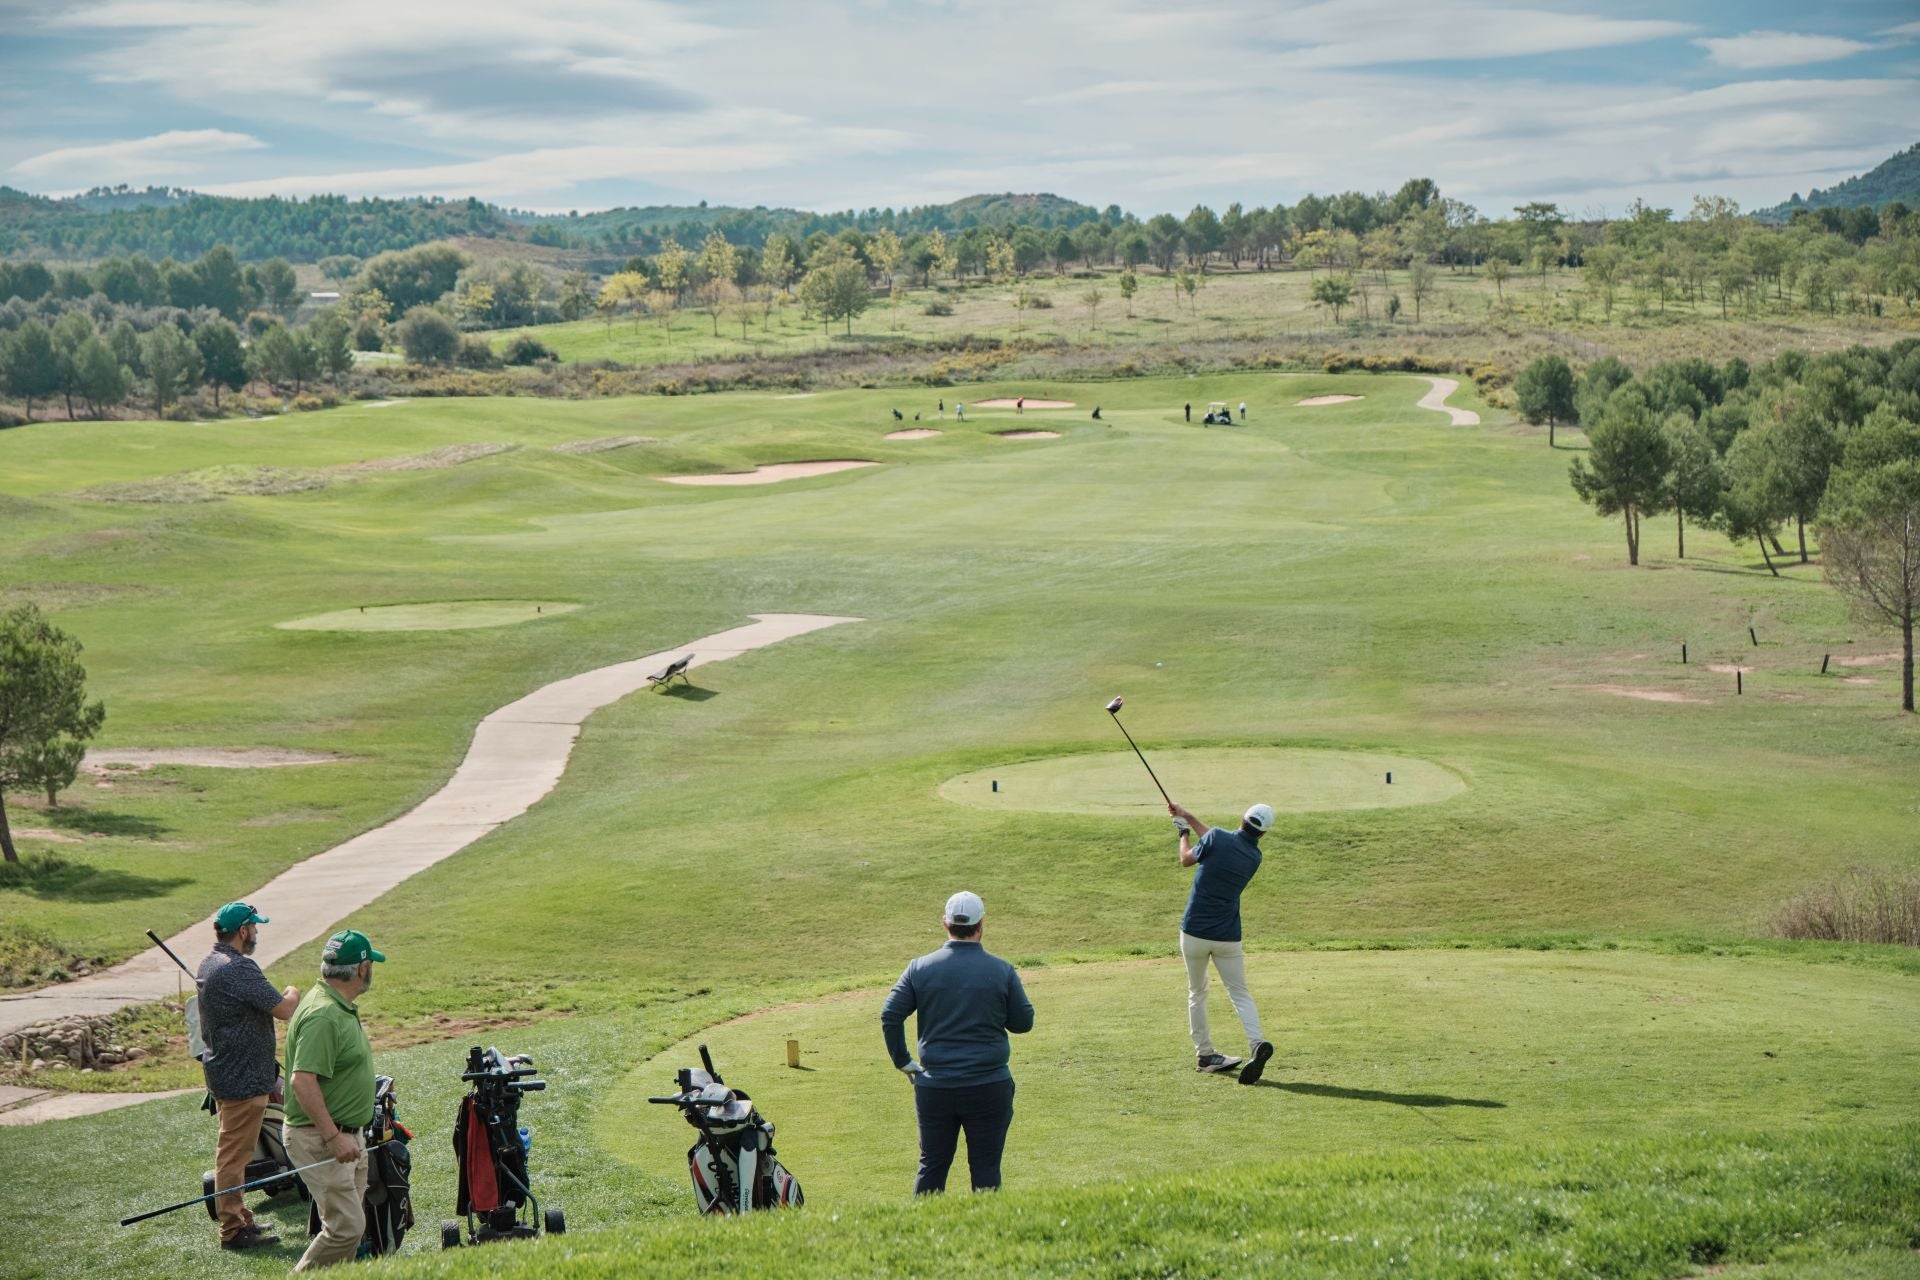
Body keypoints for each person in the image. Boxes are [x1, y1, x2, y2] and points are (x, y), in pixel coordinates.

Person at [881, 891, 1033, 1195]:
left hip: (935, 1087)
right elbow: (1023, 1023)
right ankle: (989, 1237)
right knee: (986, 1167)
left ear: (945, 923)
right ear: (981, 925)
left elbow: (890, 1015)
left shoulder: (918, 968)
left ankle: (921, 1235)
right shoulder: (1001, 970)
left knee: (933, 1164)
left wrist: (903, 1061)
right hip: (989, 1085)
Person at [196, 901, 301, 1252]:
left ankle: (240, 1217)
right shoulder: (238, 968)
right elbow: (284, 1009)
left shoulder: (210, 963)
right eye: (254, 927)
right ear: (243, 931)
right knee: (233, 1155)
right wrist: (293, 990)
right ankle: (232, 1231)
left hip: (226, 1073)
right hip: (242, 1078)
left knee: (236, 1152)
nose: (256, 932)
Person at [284, 929, 385, 1271]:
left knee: (350, 1232)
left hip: (344, 1135)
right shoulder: (323, 1015)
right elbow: (302, 1080)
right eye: (372, 964)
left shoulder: (335, 1006)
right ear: (362, 968)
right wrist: (333, 1136)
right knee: (346, 1229)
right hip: (323, 1139)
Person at [1166, 801, 1275, 1085]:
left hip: (1194, 934)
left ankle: (1205, 1055)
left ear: (1242, 818)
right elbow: (1216, 841)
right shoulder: (1254, 857)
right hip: (1227, 936)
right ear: (1262, 834)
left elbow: (1187, 859)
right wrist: (1187, 816)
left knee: (1197, 992)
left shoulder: (1216, 838)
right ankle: (1256, 1044)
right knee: (1240, 993)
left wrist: (1182, 833)